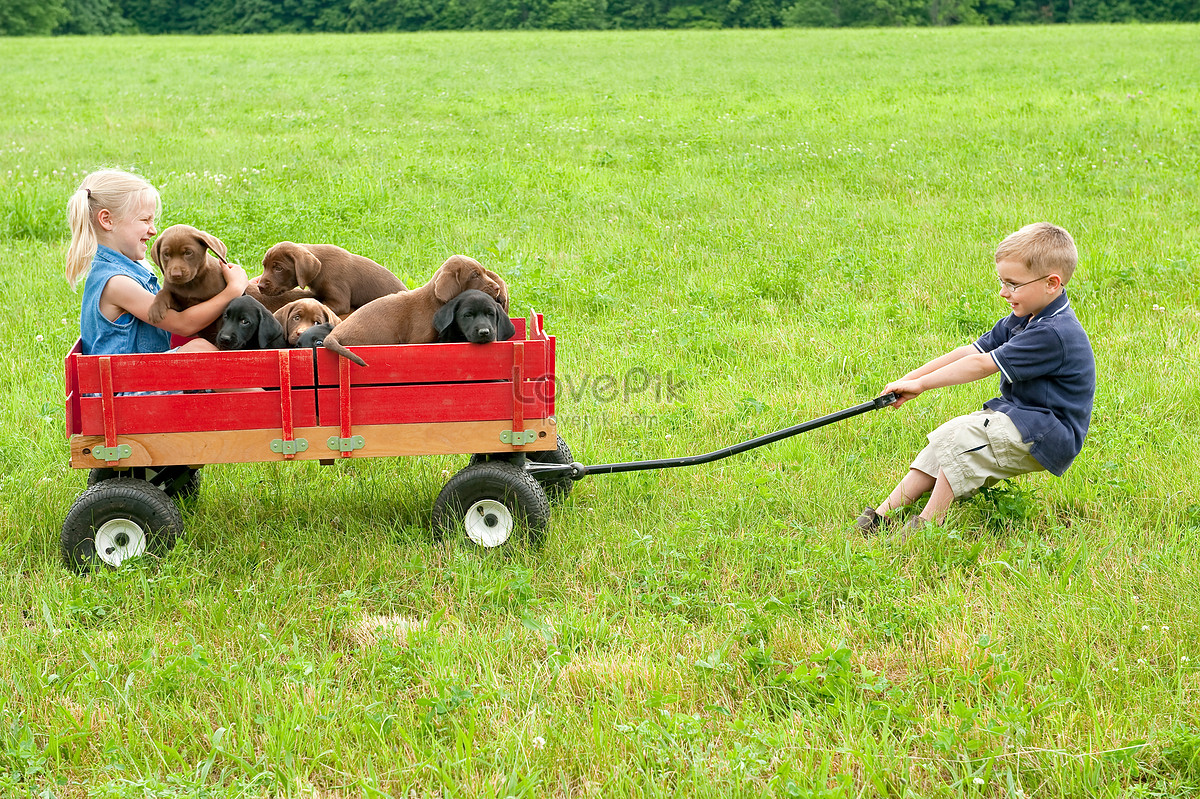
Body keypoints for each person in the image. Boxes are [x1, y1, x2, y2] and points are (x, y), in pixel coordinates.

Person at [856, 222, 1095, 534]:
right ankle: (881, 518)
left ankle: (927, 526)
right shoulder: (1025, 317)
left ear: (1051, 283)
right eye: (1002, 282)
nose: (1003, 292)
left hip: (1047, 432)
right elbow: (969, 351)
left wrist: (923, 385)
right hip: (1022, 418)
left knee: (959, 437)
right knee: (939, 446)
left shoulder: (1053, 332)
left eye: (1013, 284)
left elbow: (981, 365)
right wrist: (909, 379)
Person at [65, 168, 247, 355]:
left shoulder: (130, 270)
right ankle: (269, 386)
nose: (153, 230)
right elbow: (182, 324)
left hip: (141, 374)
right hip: (129, 381)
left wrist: (247, 287)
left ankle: (265, 385)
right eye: (145, 220)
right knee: (201, 350)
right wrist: (233, 290)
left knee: (204, 348)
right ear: (107, 220)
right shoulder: (116, 282)